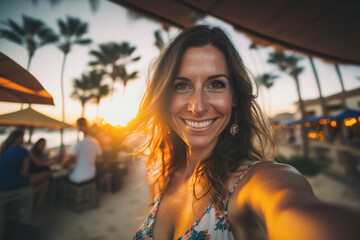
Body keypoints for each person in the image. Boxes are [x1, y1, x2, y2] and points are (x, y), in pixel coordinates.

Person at [129, 25, 360, 240]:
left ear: (235, 97)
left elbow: (291, 210)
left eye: (216, 84)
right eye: (181, 85)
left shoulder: (252, 183)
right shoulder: (161, 176)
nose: (197, 107)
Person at [0, 129, 50, 209]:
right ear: (20, 139)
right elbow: (24, 173)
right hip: (9, 185)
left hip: (1, 184)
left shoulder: (3, 150)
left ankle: (33, 200)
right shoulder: (23, 151)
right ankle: (34, 202)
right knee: (46, 175)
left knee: (43, 180)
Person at [61, 118, 102, 184]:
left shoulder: (80, 143)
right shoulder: (95, 142)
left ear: (79, 127)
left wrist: (62, 164)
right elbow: (99, 156)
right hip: (91, 174)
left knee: (62, 178)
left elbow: (64, 162)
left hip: (79, 177)